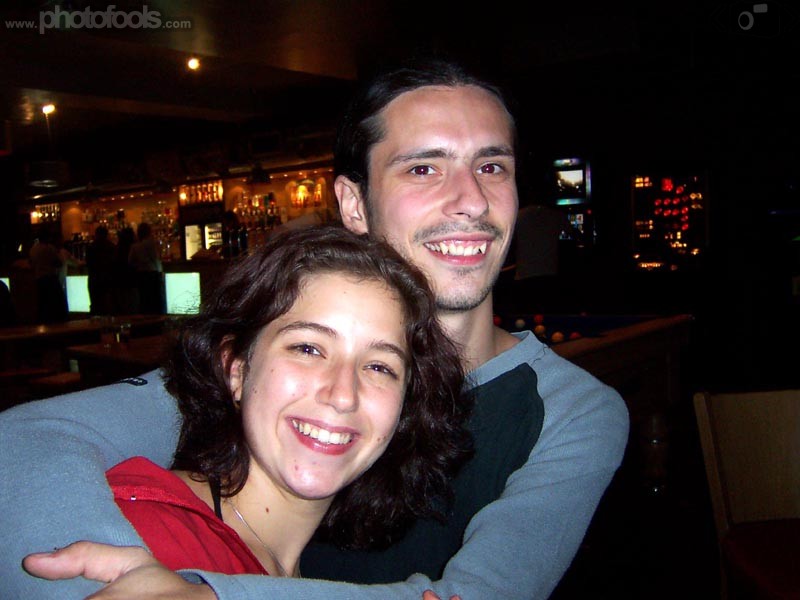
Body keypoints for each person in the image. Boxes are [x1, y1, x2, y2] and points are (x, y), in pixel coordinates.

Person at [7, 58, 629, 599]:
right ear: (354, 204)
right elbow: (27, 441)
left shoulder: (571, 411)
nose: (470, 199)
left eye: (492, 167)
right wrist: (120, 580)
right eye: (423, 169)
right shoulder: (280, 377)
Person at [109, 225, 469, 579]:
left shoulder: (298, 571)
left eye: (379, 367)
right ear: (236, 369)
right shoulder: (145, 539)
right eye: (308, 349)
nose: (343, 395)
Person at [28, 228, 68, 323]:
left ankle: (44, 323)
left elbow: (31, 264)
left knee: (43, 304)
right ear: (47, 237)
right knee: (57, 304)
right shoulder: (50, 248)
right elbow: (58, 263)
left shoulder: (33, 249)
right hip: (50, 279)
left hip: (39, 279)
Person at [128, 222, 165, 314]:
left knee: (144, 299)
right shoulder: (153, 244)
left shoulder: (135, 247)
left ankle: (145, 318)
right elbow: (157, 258)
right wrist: (160, 271)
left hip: (141, 275)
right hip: (153, 273)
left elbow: (130, 262)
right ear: (149, 232)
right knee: (155, 299)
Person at [85, 226, 116, 315]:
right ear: (106, 235)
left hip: (94, 279)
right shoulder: (111, 247)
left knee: (95, 304)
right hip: (108, 279)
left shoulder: (91, 247)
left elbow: (88, 263)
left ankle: (95, 321)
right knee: (107, 306)